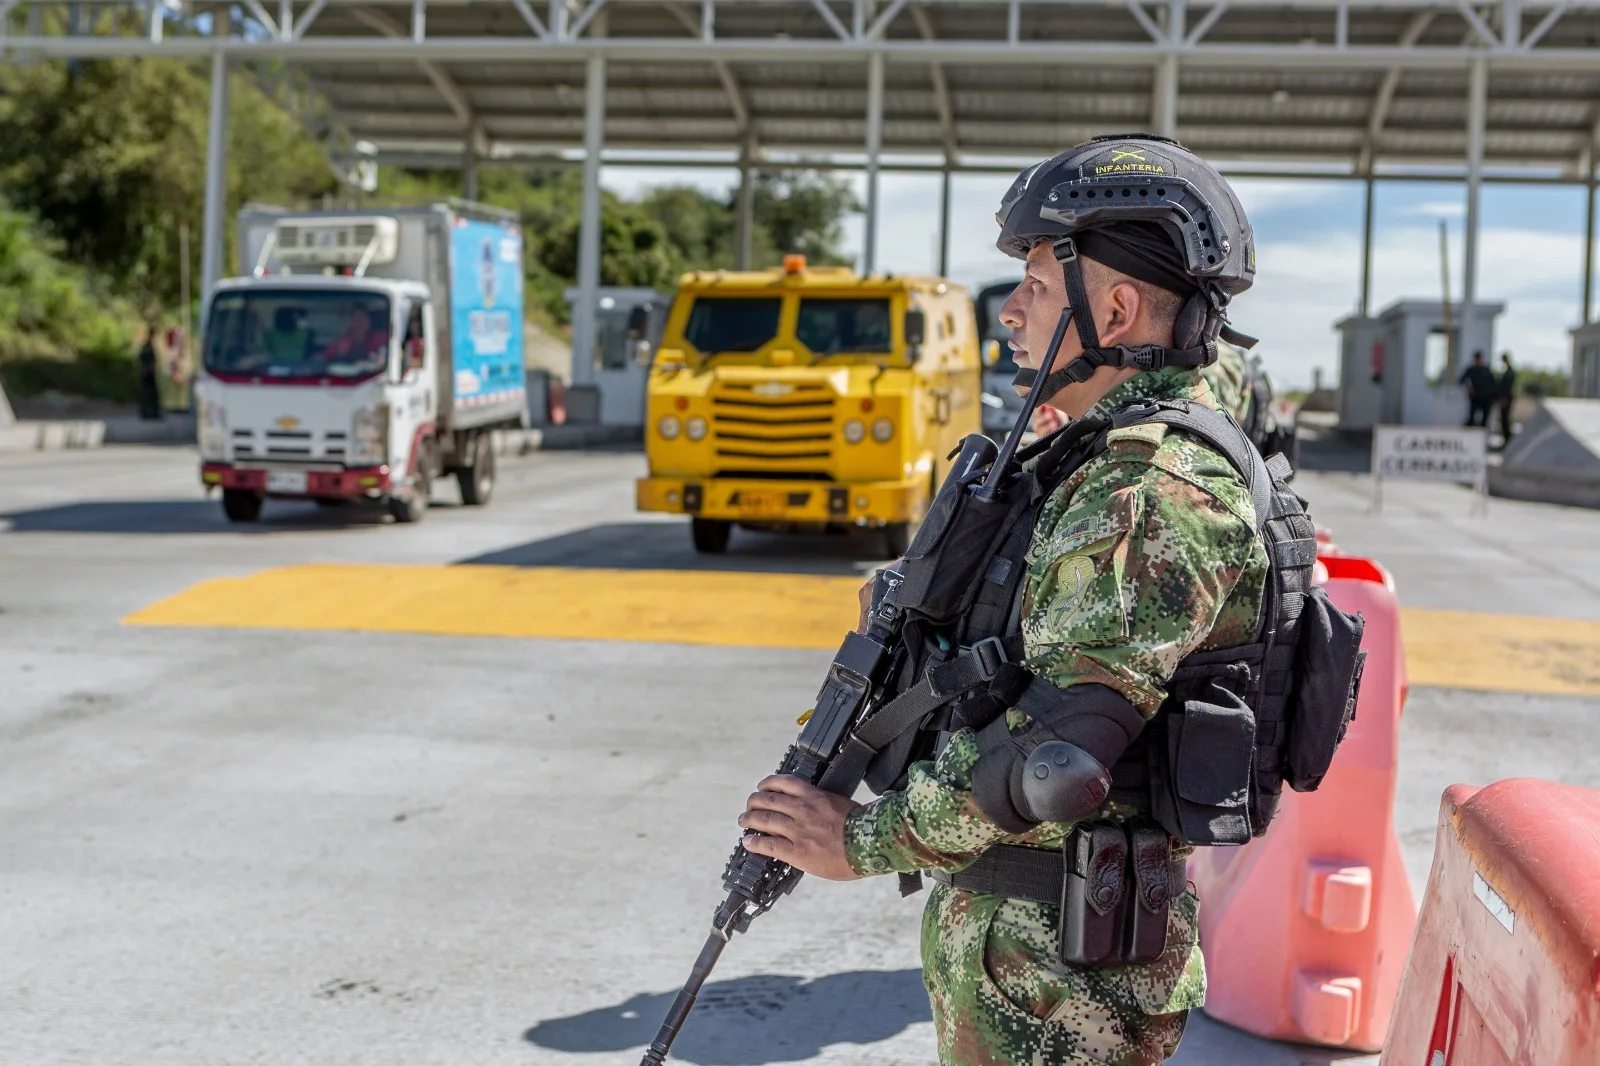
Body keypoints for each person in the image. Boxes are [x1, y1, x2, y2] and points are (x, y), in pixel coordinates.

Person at [737, 135, 1272, 1064]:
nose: (1010, 311)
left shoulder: (1148, 488)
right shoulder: (1094, 461)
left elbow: (1057, 753)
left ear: (1114, 307)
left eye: (1034, 280)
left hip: (1065, 973)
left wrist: (858, 840)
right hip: (1027, 944)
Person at [1459, 350, 1496, 427]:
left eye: (1479, 359)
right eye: (1477, 359)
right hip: (1475, 398)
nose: (1478, 361)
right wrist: (1469, 387)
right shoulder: (1471, 370)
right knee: (1471, 418)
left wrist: (1493, 396)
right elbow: (1461, 380)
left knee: (1485, 420)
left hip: (1486, 398)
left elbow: (1493, 383)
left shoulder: (1486, 370)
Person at [136, 326, 163, 421]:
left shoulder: (146, 345)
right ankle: (150, 413)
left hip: (146, 372)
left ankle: (149, 412)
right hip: (147, 373)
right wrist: (149, 368)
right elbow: (146, 360)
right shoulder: (147, 346)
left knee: (148, 393)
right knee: (150, 394)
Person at [1496, 351, 1517, 445]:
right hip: (1505, 397)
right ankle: (1506, 439)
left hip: (1506, 397)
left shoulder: (1509, 372)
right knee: (1504, 419)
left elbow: (1506, 386)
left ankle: (1507, 439)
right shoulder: (1507, 370)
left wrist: (1504, 398)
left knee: (1505, 419)